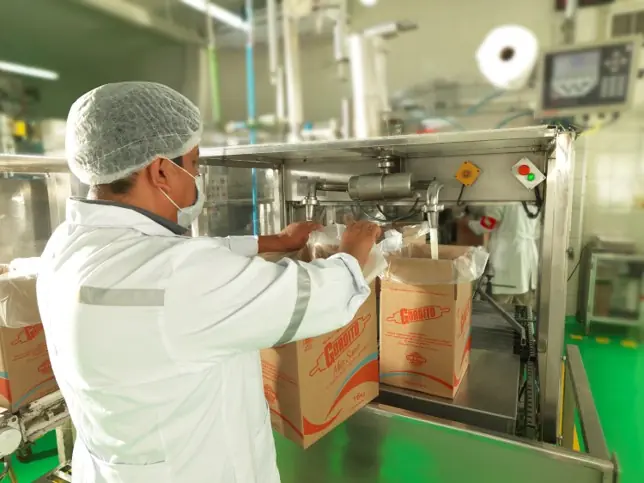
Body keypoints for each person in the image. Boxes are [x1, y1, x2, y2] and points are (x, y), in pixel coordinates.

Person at [36, 81, 381, 483]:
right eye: (194, 163)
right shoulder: (179, 278)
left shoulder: (67, 246)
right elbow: (318, 297)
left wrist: (274, 242)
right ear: (161, 171)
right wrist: (353, 252)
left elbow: (181, 263)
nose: (196, 176)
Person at [464, 202, 541, 308]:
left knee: (501, 305)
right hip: (529, 255)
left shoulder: (503, 198)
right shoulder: (534, 201)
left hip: (507, 256)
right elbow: (537, 231)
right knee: (525, 308)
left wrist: (469, 223)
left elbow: (491, 222)